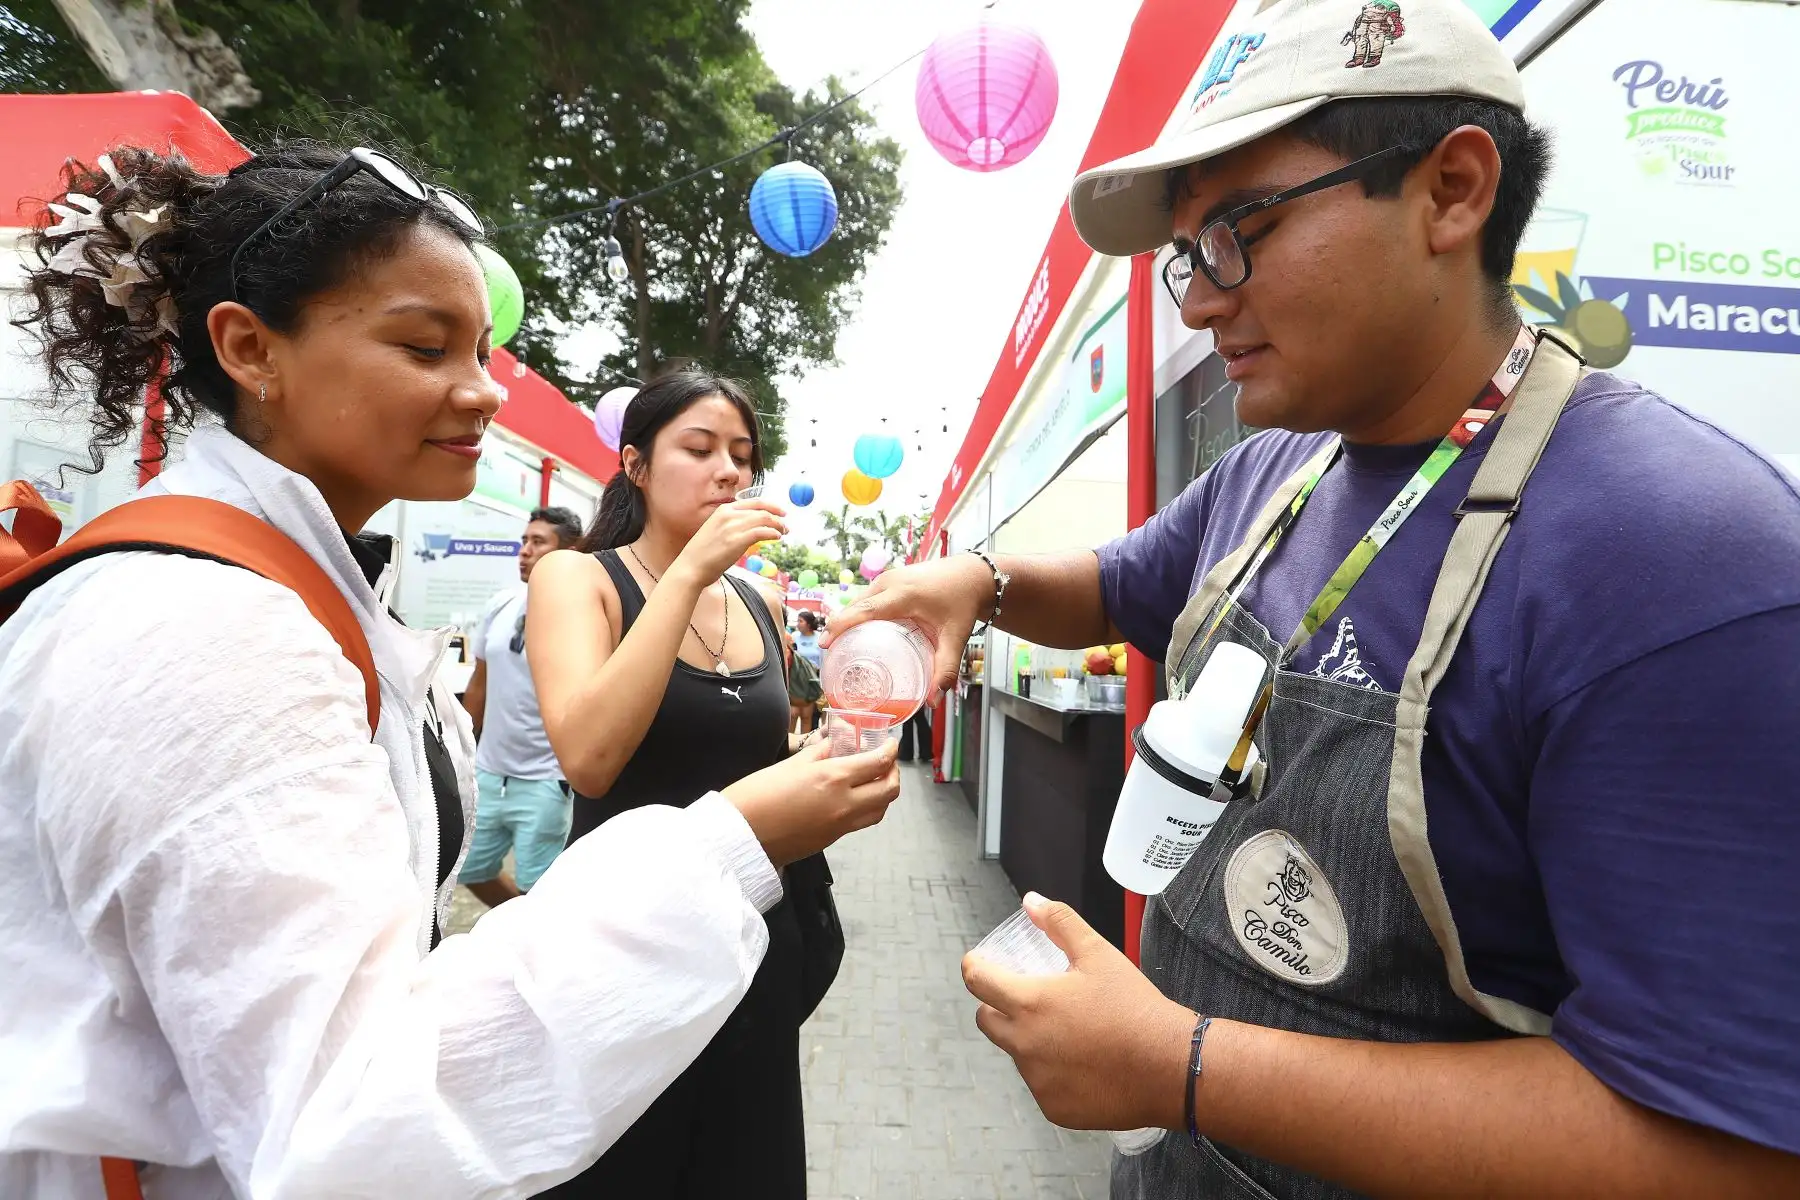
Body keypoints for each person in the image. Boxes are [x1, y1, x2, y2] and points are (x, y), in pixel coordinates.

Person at [830, 1, 1800, 1194]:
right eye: (1187, 254)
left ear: (1452, 191)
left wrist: (1185, 1068)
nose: (1197, 302)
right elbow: (1117, 588)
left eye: (1240, 231)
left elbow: (1731, 1154)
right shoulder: (1276, 470)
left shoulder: (1680, 557)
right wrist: (974, 583)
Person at [0, 142, 900, 1199]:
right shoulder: (198, 628)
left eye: (481, 352)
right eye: (425, 347)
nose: (482, 394)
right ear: (250, 349)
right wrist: (732, 844)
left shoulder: (300, 584)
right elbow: (340, 1125)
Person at [526, 370, 857, 1199]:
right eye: (700, 449)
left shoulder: (761, 602)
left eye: (742, 456)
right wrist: (685, 574)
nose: (728, 473)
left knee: (747, 1166)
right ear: (635, 465)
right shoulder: (578, 579)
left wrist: (825, 761)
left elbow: (756, 759)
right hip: (623, 947)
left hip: (754, 935)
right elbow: (590, 759)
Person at [458, 505, 584, 908]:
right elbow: (480, 682)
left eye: (538, 542)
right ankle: (518, 925)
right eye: (524, 541)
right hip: (489, 773)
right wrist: (463, 752)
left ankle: (537, 937)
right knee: (469, 869)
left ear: (568, 552)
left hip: (546, 778)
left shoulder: (583, 616)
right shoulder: (501, 604)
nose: (525, 551)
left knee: (541, 891)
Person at [787, 609, 825, 733]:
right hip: (796, 678)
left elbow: (823, 659)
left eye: (800, 621)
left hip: (812, 679)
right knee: (792, 714)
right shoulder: (794, 636)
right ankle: (789, 742)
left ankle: (803, 741)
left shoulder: (819, 638)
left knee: (806, 716)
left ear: (808, 624)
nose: (797, 624)